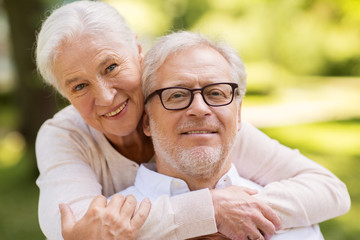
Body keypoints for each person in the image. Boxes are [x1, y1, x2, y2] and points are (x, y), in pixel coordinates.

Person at [34, 1, 350, 239]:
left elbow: (328, 190)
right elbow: (73, 228)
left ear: (138, 51)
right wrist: (209, 211)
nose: (104, 97)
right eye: (79, 86)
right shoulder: (64, 136)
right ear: (63, 93)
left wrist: (243, 215)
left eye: (111, 67)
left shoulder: (193, 116)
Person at [119, 30, 326, 240]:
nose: (199, 109)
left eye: (216, 93)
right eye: (178, 95)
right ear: (147, 121)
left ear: (238, 117)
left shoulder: (296, 223)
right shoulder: (107, 226)